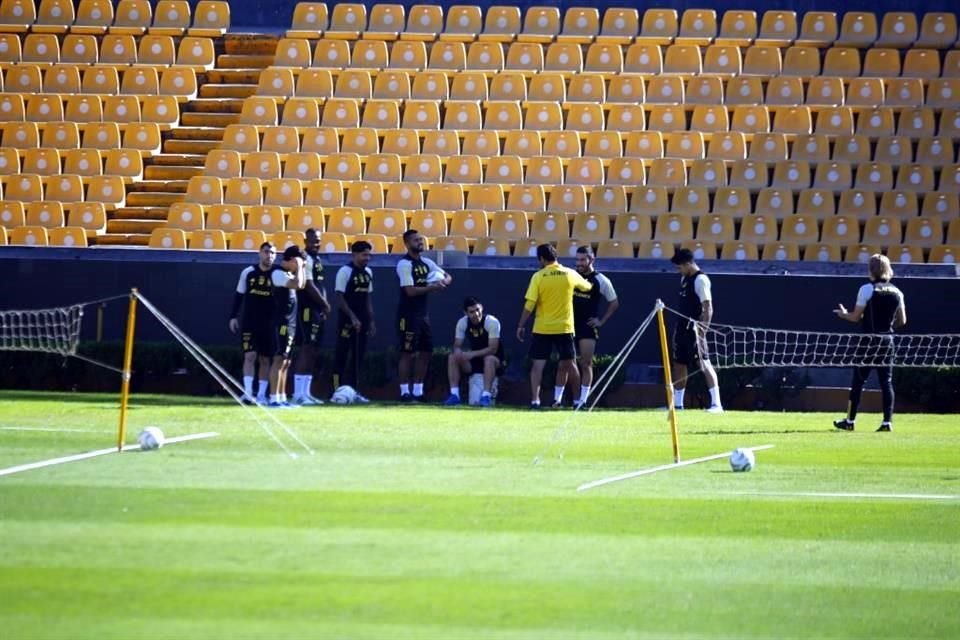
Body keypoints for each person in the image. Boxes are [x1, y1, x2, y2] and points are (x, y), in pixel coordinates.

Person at [833, 254, 907, 432]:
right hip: (887, 341)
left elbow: (855, 317)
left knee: (858, 381)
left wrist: (843, 314)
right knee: (886, 382)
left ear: (871, 270)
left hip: (868, 341)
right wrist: (887, 325)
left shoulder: (866, 289)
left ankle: (850, 421)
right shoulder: (897, 292)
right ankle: (887, 422)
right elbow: (902, 321)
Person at [516, 244, 593, 409]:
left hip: (542, 328)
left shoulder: (538, 277)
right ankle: (577, 401)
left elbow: (530, 304)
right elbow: (587, 287)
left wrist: (521, 325)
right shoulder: (570, 274)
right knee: (571, 365)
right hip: (564, 328)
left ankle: (535, 401)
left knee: (538, 366)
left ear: (542, 259)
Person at [396, 229, 451, 402]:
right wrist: (433, 287)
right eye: (416, 240)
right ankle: (405, 392)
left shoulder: (427, 262)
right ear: (407, 243)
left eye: (421, 239)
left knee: (426, 351)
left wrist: (442, 282)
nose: (420, 242)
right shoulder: (404, 264)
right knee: (407, 353)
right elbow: (410, 291)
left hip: (423, 315)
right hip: (408, 315)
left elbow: (449, 276)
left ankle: (418, 392)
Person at [670, 248, 723, 413]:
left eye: (679, 267)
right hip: (682, 330)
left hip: (694, 331)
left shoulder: (701, 280)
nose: (678, 270)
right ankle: (678, 405)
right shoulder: (684, 280)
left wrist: (702, 331)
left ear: (687, 264)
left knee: (704, 363)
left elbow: (708, 308)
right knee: (679, 364)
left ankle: (717, 404)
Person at [568, 246, 619, 408]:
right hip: (568, 325)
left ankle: (583, 400)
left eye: (582, 260)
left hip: (587, 327)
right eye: (577, 260)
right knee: (566, 363)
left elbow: (614, 302)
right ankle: (567, 399)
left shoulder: (601, 280)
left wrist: (601, 321)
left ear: (592, 259)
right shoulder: (571, 276)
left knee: (586, 362)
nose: (579, 263)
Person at [229, 242, 277, 405]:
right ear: (259, 253)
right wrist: (233, 317)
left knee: (265, 359)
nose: (269, 255)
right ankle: (248, 393)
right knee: (249, 356)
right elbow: (239, 295)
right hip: (249, 321)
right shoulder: (248, 272)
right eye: (266, 252)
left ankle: (262, 395)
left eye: (272, 253)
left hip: (269, 323)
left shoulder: (278, 274)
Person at [292, 228, 332, 406]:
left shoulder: (317, 259)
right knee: (306, 348)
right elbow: (308, 284)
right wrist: (324, 303)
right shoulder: (305, 258)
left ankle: (306, 393)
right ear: (305, 240)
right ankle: (297, 393)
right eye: (313, 240)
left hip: (317, 310)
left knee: (314, 350)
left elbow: (319, 284)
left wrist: (322, 306)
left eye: (318, 240)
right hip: (307, 309)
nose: (317, 243)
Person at [332, 240, 375, 402]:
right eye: (364, 255)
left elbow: (367, 298)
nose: (367, 258)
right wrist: (352, 317)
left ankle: (354, 392)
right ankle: (336, 391)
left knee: (358, 358)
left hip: (362, 322)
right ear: (354, 254)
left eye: (369, 255)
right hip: (346, 321)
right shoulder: (345, 271)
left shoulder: (368, 272)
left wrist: (370, 321)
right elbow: (339, 296)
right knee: (341, 355)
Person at [444, 296, 504, 408]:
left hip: (494, 361)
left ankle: (486, 395)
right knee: (452, 357)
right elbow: (457, 345)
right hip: (474, 363)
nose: (476, 314)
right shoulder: (462, 323)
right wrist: (457, 351)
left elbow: (493, 349)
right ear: (465, 313)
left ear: (482, 308)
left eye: (478, 310)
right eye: (472, 312)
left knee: (489, 359)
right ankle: (454, 395)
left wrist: (471, 354)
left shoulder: (492, 322)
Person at [267, 245, 307, 407]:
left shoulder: (290, 273)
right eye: (299, 261)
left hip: (290, 322)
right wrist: (300, 267)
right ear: (291, 260)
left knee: (286, 361)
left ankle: (282, 397)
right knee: (278, 360)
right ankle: (273, 398)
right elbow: (298, 284)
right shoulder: (277, 273)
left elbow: (302, 284)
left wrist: (299, 267)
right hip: (281, 322)